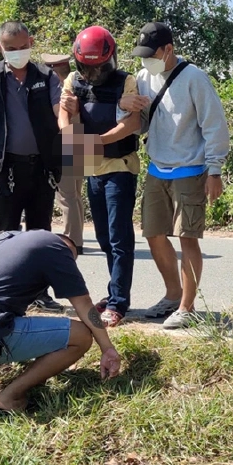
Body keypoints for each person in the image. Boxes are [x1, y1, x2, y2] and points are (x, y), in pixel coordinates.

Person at [100, 22, 231, 330]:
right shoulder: (144, 77)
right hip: (157, 167)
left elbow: (214, 126)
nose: (146, 60)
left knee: (188, 237)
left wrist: (215, 170)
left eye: (152, 54)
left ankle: (187, 306)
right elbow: (141, 122)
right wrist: (124, 107)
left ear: (168, 49)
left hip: (191, 168)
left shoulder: (194, 78)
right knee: (154, 234)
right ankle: (173, 296)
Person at [0, 230, 122, 414]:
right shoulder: (56, 247)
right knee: (81, 336)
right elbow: (84, 304)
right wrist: (107, 348)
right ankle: (10, 397)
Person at [0, 21, 65, 311]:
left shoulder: (46, 76)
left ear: (31, 42)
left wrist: (70, 130)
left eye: (23, 47)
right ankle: (0, 293)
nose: (18, 53)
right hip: (2, 168)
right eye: (11, 49)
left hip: (41, 168)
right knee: (2, 234)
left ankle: (38, 293)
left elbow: (60, 114)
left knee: (39, 235)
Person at [58, 25, 142, 328]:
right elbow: (64, 114)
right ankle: (113, 292)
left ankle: (119, 302)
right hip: (92, 165)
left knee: (120, 238)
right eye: (87, 68)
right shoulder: (73, 79)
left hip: (119, 165)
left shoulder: (126, 81)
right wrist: (71, 135)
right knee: (105, 238)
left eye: (98, 68)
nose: (92, 75)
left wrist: (97, 141)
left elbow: (131, 124)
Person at [43, 53, 85, 254]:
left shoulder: (61, 92)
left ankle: (72, 241)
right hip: (84, 141)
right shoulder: (80, 84)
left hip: (68, 141)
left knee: (66, 196)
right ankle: (78, 237)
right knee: (75, 194)